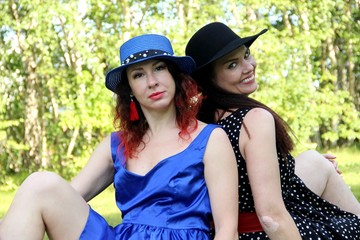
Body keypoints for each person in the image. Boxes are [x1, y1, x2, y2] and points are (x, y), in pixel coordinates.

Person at [0, 33, 239, 240]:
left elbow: (227, 231)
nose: (152, 82)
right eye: (138, 75)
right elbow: (62, 198)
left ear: (175, 76)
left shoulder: (210, 139)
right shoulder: (116, 144)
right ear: (130, 90)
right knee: (39, 185)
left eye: (159, 68)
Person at [185, 22, 360, 239]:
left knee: (316, 161)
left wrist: (285, 167)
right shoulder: (252, 120)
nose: (249, 67)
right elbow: (271, 217)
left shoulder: (198, 124)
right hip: (259, 232)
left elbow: (243, 177)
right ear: (209, 79)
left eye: (246, 55)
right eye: (232, 65)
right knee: (353, 226)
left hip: (220, 230)